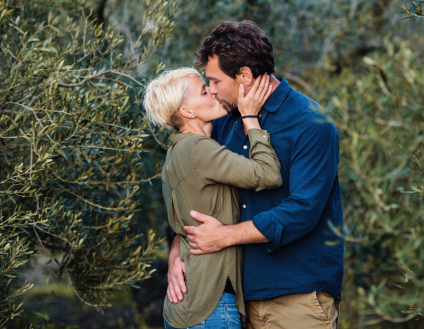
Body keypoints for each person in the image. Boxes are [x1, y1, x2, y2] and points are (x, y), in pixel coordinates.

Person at [167, 21, 344, 329]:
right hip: (236, 300)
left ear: (245, 76)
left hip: (297, 297)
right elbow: (191, 190)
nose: (211, 90)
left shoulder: (311, 124)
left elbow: (303, 210)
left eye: (215, 80)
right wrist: (176, 253)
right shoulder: (223, 122)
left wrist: (224, 236)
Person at [143, 67, 282, 329]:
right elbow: (268, 175)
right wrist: (250, 118)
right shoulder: (198, 148)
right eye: (204, 91)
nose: (214, 92)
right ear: (187, 112)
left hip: (187, 303)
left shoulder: (177, 151)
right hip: (212, 305)